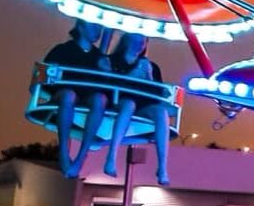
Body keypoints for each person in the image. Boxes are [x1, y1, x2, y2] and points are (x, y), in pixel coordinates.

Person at [42, 20, 111, 177]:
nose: (97, 30)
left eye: (99, 26)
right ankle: (64, 152)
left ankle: (82, 156)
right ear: (80, 26)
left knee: (100, 99)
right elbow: (43, 77)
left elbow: (107, 88)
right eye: (93, 25)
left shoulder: (99, 57)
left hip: (88, 97)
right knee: (68, 95)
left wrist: (106, 72)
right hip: (64, 94)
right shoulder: (62, 50)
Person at [99, 32, 171, 184]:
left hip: (143, 105)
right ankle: (111, 157)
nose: (139, 44)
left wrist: (150, 78)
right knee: (128, 104)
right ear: (126, 40)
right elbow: (106, 86)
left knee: (161, 112)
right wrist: (131, 76)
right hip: (119, 101)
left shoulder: (149, 65)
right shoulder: (112, 61)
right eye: (136, 40)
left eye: (143, 41)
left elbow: (156, 94)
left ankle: (162, 167)